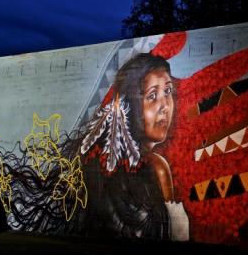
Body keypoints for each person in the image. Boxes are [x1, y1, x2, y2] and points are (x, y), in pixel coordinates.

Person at [74, 53, 188, 240]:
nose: (165, 106)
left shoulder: (103, 163)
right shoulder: (154, 167)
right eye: (152, 96)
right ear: (131, 105)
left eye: (168, 92)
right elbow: (177, 238)